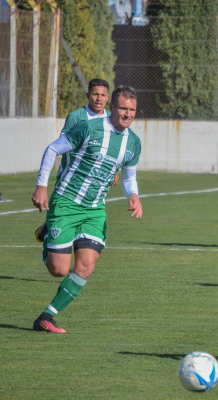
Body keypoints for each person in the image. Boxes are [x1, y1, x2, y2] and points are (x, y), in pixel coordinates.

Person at [30, 85, 143, 333]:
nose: (128, 114)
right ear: (112, 108)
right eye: (123, 108)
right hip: (67, 202)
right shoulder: (89, 128)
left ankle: (46, 317)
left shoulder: (133, 142)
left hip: (95, 210)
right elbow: (52, 149)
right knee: (58, 270)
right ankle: (49, 231)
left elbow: (128, 178)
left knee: (86, 266)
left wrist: (133, 195)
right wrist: (41, 186)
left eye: (132, 109)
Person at [34, 78, 119, 242]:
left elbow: (113, 148)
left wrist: (115, 170)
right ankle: (52, 229)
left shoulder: (111, 119)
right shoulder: (76, 117)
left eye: (103, 95)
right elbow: (60, 147)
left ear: (108, 98)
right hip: (70, 178)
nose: (99, 98)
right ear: (88, 95)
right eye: (95, 94)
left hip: (95, 181)